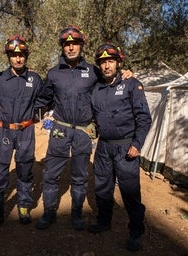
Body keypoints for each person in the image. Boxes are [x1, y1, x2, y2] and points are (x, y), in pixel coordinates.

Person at [35, 25, 133, 231]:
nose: (71, 48)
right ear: (62, 47)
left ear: (81, 46)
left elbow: (111, 81)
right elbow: (43, 98)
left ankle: (77, 214)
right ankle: (49, 212)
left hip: (82, 132)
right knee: (51, 174)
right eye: (67, 44)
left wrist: (125, 73)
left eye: (75, 44)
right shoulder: (53, 73)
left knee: (79, 177)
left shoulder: (93, 72)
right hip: (60, 130)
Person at [87, 42, 152, 252]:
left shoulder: (132, 84)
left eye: (111, 61)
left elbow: (144, 118)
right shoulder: (95, 88)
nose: (107, 66)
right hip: (104, 147)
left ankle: (136, 231)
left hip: (126, 148)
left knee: (130, 192)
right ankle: (104, 221)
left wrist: (137, 143)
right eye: (103, 62)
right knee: (102, 188)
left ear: (118, 62)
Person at [0, 35, 44, 230]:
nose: (18, 59)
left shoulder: (34, 79)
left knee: (25, 170)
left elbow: (46, 98)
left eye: (21, 55)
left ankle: (24, 206)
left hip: (26, 131)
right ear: (8, 57)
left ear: (26, 56)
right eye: (13, 55)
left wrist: (36, 114)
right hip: (4, 132)